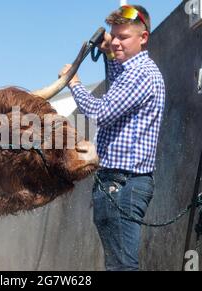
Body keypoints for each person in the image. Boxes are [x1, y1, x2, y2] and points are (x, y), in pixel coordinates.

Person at [59, 5, 165, 271]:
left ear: (143, 38)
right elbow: (117, 87)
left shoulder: (141, 74)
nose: (116, 41)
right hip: (121, 182)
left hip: (122, 183)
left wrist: (74, 83)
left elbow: (100, 113)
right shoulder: (132, 71)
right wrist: (109, 54)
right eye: (113, 35)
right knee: (119, 264)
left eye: (124, 37)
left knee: (121, 267)